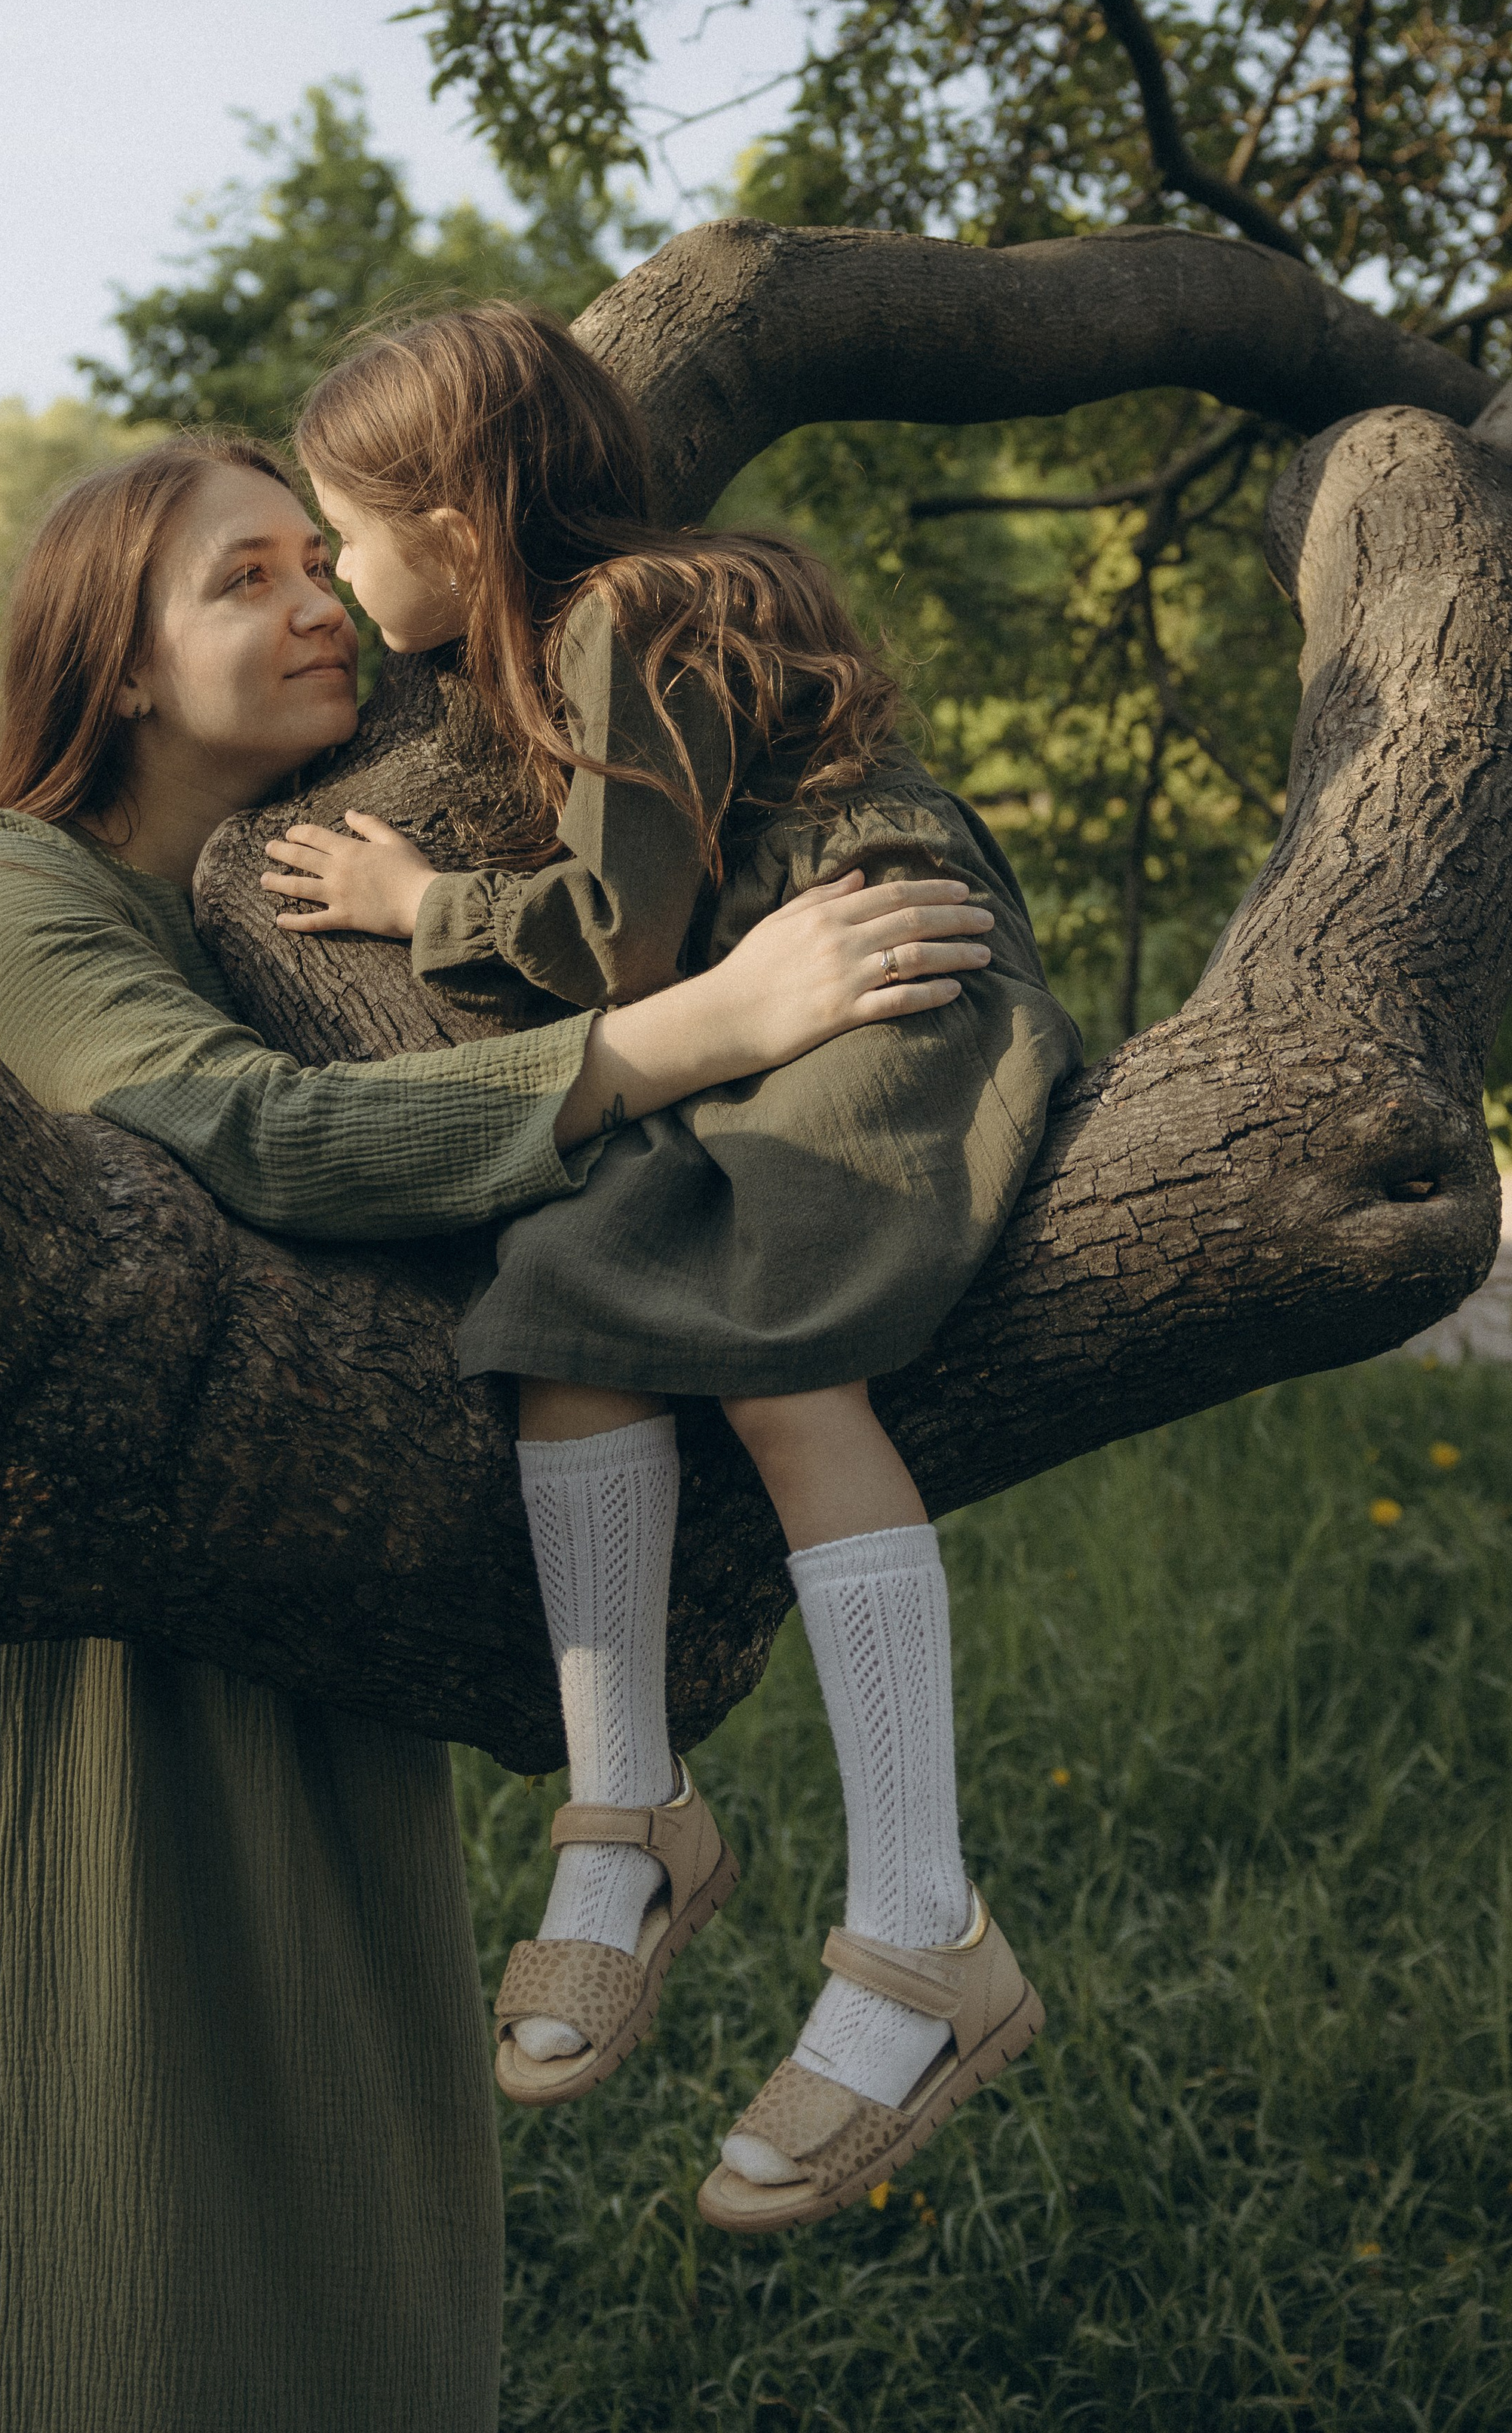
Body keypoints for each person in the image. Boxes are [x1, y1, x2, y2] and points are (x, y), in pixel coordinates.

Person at [0, 432, 998, 2432]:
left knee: (331, 2245)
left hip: (325, 1620)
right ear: (109, 653)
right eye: (240, 577)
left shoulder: (337, 880)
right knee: (54, 2242)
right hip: (78, 1668)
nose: (313, 605)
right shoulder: (9, 883)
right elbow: (254, 1137)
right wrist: (714, 1022)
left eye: (314, 563)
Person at [265, 308, 1084, 2233]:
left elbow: (629, 940)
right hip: (758, 999)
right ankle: (625, 1804)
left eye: (336, 531)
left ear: (455, 521)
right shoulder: (561, 651)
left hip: (871, 957)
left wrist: (418, 903)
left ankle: (919, 1928)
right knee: (570, 1310)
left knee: (786, 1368)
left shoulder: (621, 618)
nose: (330, 573)